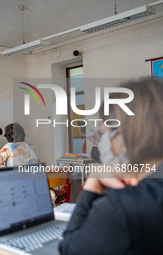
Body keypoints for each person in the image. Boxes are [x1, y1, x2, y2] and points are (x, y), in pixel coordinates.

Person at [59, 78, 163, 254]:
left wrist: (92, 183)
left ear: (122, 137)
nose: (100, 142)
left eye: (102, 133)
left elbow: (70, 249)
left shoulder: (120, 207)